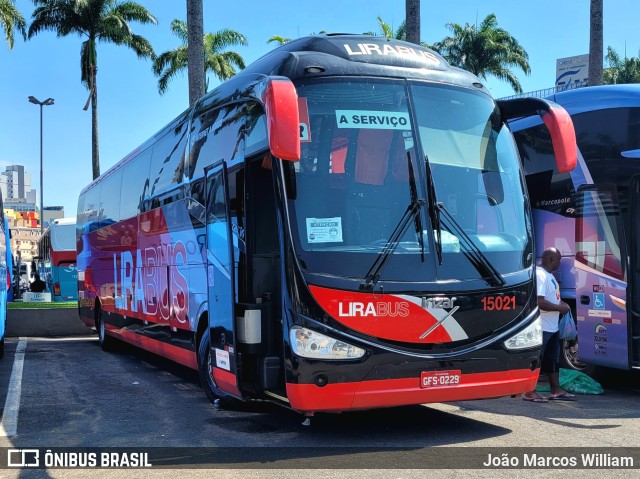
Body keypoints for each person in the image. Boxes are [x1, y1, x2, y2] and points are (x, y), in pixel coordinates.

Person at [523, 247, 577, 403]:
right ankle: (529, 392)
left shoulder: (549, 276)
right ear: (552, 259)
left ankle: (556, 390)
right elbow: (538, 302)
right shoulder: (541, 275)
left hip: (552, 327)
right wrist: (559, 308)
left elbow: (550, 298)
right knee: (537, 359)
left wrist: (561, 303)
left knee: (552, 360)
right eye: (559, 260)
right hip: (542, 327)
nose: (559, 264)